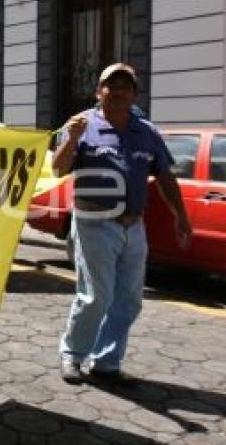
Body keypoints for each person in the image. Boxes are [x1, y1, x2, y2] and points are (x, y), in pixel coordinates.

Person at [53, 63, 191, 386]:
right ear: (98, 92)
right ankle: (72, 354)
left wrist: (180, 216)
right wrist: (71, 140)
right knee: (95, 296)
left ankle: (106, 362)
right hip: (93, 223)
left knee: (129, 299)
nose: (117, 92)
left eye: (124, 87)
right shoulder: (81, 126)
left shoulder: (147, 131)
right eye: (110, 86)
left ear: (134, 94)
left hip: (134, 226)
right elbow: (59, 169)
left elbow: (166, 177)